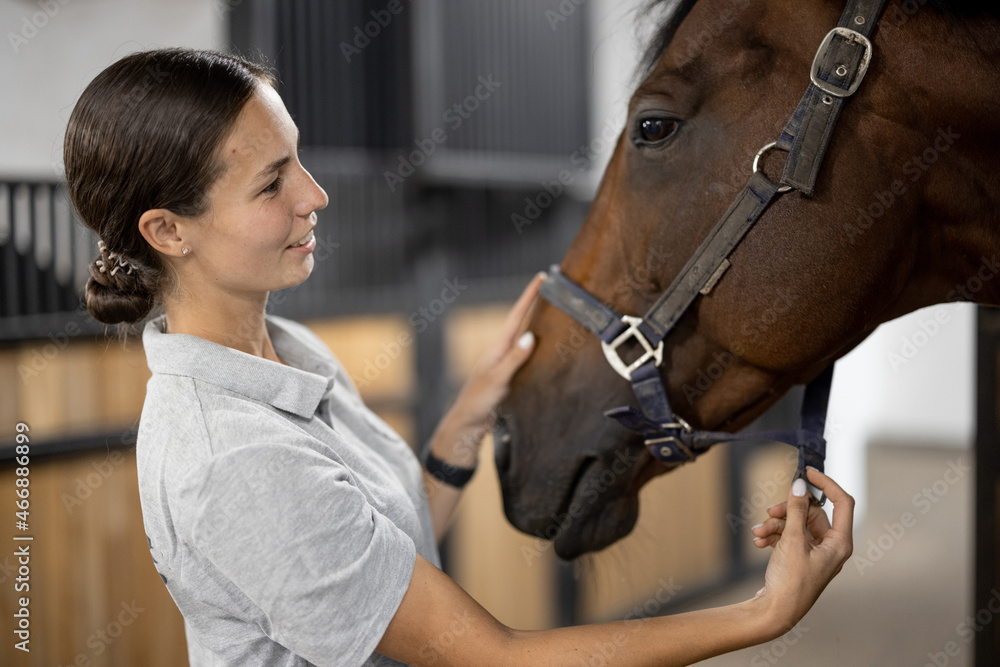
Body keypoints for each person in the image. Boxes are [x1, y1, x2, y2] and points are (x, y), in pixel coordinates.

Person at [64, 48, 854, 666]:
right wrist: (763, 614)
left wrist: (465, 419)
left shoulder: (284, 347)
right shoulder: (232, 461)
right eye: (272, 184)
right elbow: (495, 654)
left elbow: (381, 563)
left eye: (298, 158)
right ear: (168, 231)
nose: (315, 194)